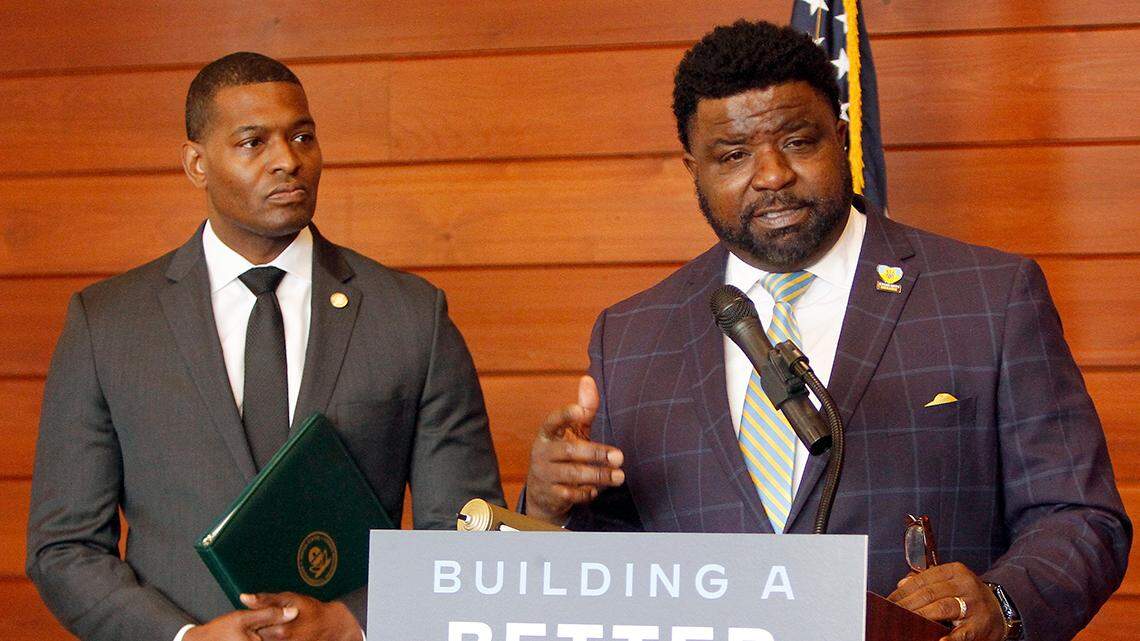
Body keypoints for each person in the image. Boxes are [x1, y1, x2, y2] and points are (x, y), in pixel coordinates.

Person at [524, 20, 1130, 641]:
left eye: (798, 141)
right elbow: (615, 566)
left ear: (840, 138)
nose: (772, 175)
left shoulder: (989, 297)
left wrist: (1001, 602)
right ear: (693, 168)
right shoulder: (631, 335)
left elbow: (1080, 517)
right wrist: (550, 508)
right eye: (733, 155)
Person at [26, 52, 504, 641]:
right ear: (197, 164)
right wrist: (185, 638)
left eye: (303, 136)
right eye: (253, 143)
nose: (288, 161)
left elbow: (468, 534)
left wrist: (351, 622)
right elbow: (65, 547)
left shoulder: (412, 317)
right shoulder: (108, 324)